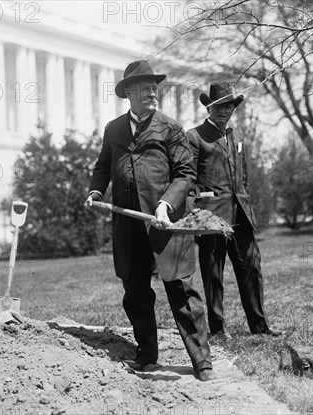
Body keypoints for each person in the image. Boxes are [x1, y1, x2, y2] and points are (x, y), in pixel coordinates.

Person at [84, 60, 216, 381]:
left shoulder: (171, 128)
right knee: (136, 290)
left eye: (154, 87)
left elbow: (185, 174)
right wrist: (96, 191)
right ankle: (147, 356)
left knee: (181, 289)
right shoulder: (113, 129)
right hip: (128, 225)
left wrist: (166, 204)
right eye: (145, 87)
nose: (152, 92)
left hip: (165, 224)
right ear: (129, 92)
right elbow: (103, 166)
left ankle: (201, 361)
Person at [186, 82, 281, 338]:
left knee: (252, 268)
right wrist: (198, 213)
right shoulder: (194, 137)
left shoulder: (236, 136)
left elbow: (244, 176)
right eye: (218, 106)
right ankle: (217, 330)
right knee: (213, 274)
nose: (223, 111)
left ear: (232, 108)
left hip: (241, 215)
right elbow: (187, 180)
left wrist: (246, 197)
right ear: (209, 107)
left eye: (228, 106)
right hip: (211, 217)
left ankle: (260, 327)